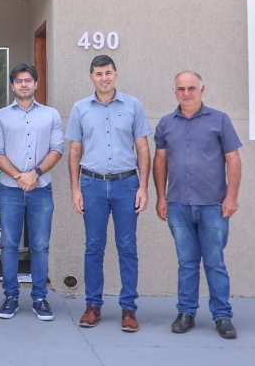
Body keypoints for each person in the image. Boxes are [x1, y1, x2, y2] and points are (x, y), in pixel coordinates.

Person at [153, 71, 243, 339]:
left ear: (202, 89)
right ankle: (186, 313)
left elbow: (233, 160)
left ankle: (222, 316)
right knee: (187, 263)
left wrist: (232, 197)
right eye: (181, 89)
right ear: (174, 91)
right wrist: (161, 197)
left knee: (215, 262)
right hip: (178, 205)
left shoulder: (220, 120)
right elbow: (160, 161)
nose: (186, 93)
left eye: (192, 88)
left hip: (213, 205)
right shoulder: (166, 123)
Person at [66, 55, 151, 332]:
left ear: (116, 74)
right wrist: (75, 189)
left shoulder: (133, 105)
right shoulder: (80, 108)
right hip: (92, 184)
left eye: (108, 73)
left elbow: (143, 148)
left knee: (127, 246)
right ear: (91, 77)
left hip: (127, 184)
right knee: (93, 246)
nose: (104, 78)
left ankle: (128, 308)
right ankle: (93, 305)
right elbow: (75, 151)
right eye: (99, 73)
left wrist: (144, 187)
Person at [0, 64, 63, 321]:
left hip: (41, 190)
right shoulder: (0, 116)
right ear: (13, 86)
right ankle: (10, 296)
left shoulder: (51, 115)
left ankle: (40, 298)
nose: (24, 84)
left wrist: (35, 173)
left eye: (28, 80)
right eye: (19, 81)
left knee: (40, 246)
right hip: (10, 191)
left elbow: (57, 149)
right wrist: (20, 177)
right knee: (9, 245)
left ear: (36, 84)